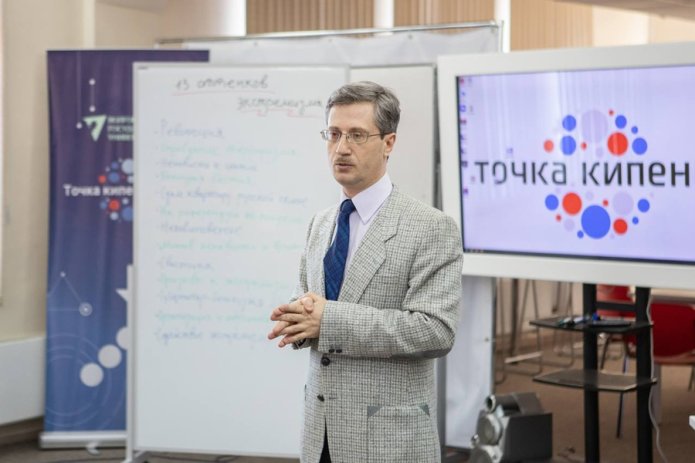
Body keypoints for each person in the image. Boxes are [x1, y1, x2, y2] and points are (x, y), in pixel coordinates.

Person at [267, 81, 463, 463]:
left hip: (388, 439)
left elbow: (436, 330)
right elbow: (311, 302)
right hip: (320, 433)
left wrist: (328, 320)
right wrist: (296, 318)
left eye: (356, 135)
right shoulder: (320, 223)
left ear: (389, 143)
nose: (341, 148)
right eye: (333, 134)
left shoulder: (431, 227)